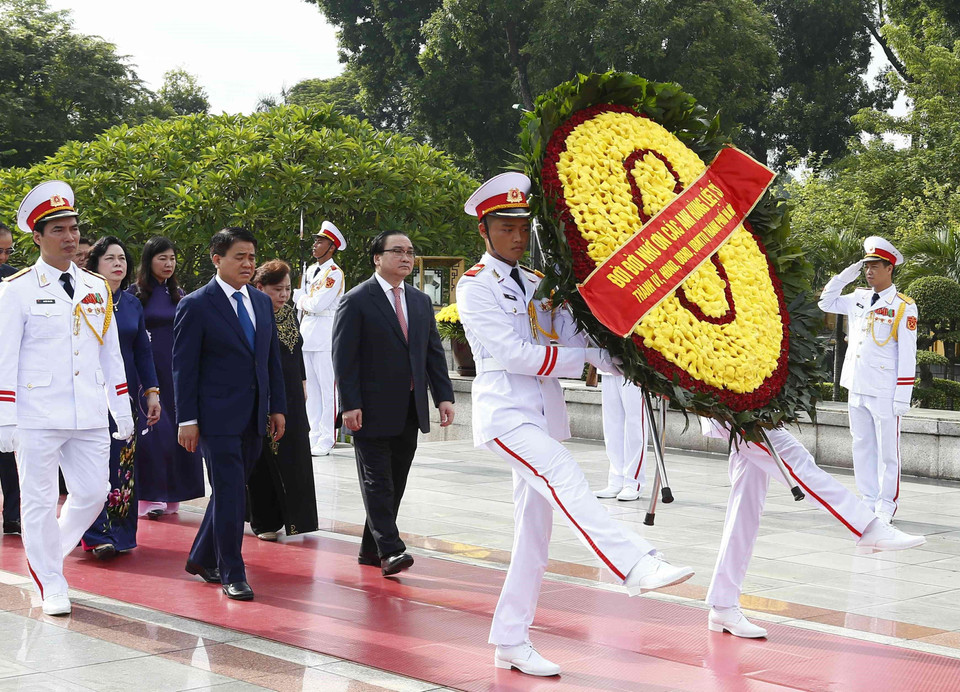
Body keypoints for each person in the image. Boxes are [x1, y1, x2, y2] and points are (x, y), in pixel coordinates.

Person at [456, 173, 693, 677]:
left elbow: (572, 335)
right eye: (506, 227)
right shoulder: (474, 286)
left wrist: (633, 360)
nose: (517, 237)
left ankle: (511, 639)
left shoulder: (540, 284)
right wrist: (585, 358)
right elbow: (515, 354)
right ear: (485, 230)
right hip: (505, 415)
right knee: (564, 474)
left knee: (533, 538)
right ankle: (635, 563)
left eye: (523, 226)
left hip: (540, 416)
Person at [0, 181, 133, 615]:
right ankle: (51, 583)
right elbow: (5, 358)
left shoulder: (97, 287)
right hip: (37, 414)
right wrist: (5, 418)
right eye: (58, 229)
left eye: (74, 227)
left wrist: (121, 406)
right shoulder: (16, 289)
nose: (70, 236)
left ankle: (47, 556)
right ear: (37, 237)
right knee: (37, 501)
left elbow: (110, 353)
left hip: (89, 411)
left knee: (95, 492)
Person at [701, 417, 925, 638]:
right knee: (795, 460)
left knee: (745, 507)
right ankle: (867, 527)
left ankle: (723, 604)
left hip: (744, 407)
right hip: (733, 410)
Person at [332, 230, 455, 577]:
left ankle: (370, 548)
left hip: (409, 408)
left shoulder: (418, 301)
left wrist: (443, 396)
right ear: (377, 257)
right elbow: (344, 359)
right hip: (368, 409)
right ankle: (391, 549)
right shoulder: (356, 300)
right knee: (377, 481)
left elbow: (432, 352)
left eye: (410, 252)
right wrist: (349, 404)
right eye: (397, 251)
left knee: (396, 481)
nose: (405, 257)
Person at [173, 227, 286, 601]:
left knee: (230, 492)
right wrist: (187, 420)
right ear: (216, 258)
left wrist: (277, 408)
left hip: (254, 417)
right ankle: (232, 572)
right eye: (240, 256)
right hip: (214, 419)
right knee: (233, 493)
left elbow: (271, 361)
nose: (248, 264)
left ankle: (202, 557)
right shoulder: (196, 304)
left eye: (252, 257)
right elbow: (183, 368)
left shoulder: (259, 301)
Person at [818, 237, 918, 524]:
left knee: (888, 451)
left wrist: (902, 396)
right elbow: (826, 301)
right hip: (857, 384)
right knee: (861, 444)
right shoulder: (858, 297)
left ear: (890, 268)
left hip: (885, 388)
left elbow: (908, 353)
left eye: (875, 266)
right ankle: (868, 499)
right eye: (866, 267)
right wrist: (847, 274)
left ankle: (886, 504)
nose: (869, 271)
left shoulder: (903, 307)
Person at [80, 237, 161, 559]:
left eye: (122, 259)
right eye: (110, 258)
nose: (118, 264)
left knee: (122, 467)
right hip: (86, 396)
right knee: (92, 467)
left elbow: (142, 351)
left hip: (123, 398)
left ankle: (120, 534)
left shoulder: (131, 304)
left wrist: (151, 392)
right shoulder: (82, 301)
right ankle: (94, 534)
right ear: (95, 264)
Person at [131, 237, 205, 519]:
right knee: (153, 434)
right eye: (162, 258)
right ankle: (148, 496)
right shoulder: (135, 295)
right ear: (149, 260)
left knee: (179, 433)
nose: (168, 264)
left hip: (176, 373)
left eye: (172, 258)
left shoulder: (180, 295)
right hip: (148, 374)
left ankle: (174, 495)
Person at [249, 260, 318, 541]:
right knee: (265, 457)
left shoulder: (289, 313)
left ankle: (298, 520)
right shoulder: (253, 315)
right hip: (264, 394)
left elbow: (296, 349)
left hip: (292, 394)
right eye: (277, 289)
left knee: (296, 453)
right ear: (259, 287)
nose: (283, 295)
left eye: (288, 289)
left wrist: (302, 382)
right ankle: (265, 521)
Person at [296, 221, 346, 457]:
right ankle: (313, 434)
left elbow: (317, 304)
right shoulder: (310, 271)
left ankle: (327, 438)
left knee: (328, 390)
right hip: (308, 334)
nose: (315, 245)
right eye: (315, 241)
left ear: (332, 247)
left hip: (326, 334)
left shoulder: (333, 273)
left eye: (321, 242)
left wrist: (300, 299)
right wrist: (302, 300)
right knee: (312, 390)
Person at [595, 372, 649, 502]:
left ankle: (633, 481)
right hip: (607, 364)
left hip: (632, 366)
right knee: (612, 423)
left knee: (634, 423)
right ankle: (616, 479)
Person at [0, 225, 22, 535]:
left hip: (9, 373)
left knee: (8, 447)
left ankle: (14, 515)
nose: (3, 257)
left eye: (8, 251)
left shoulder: (15, 279)